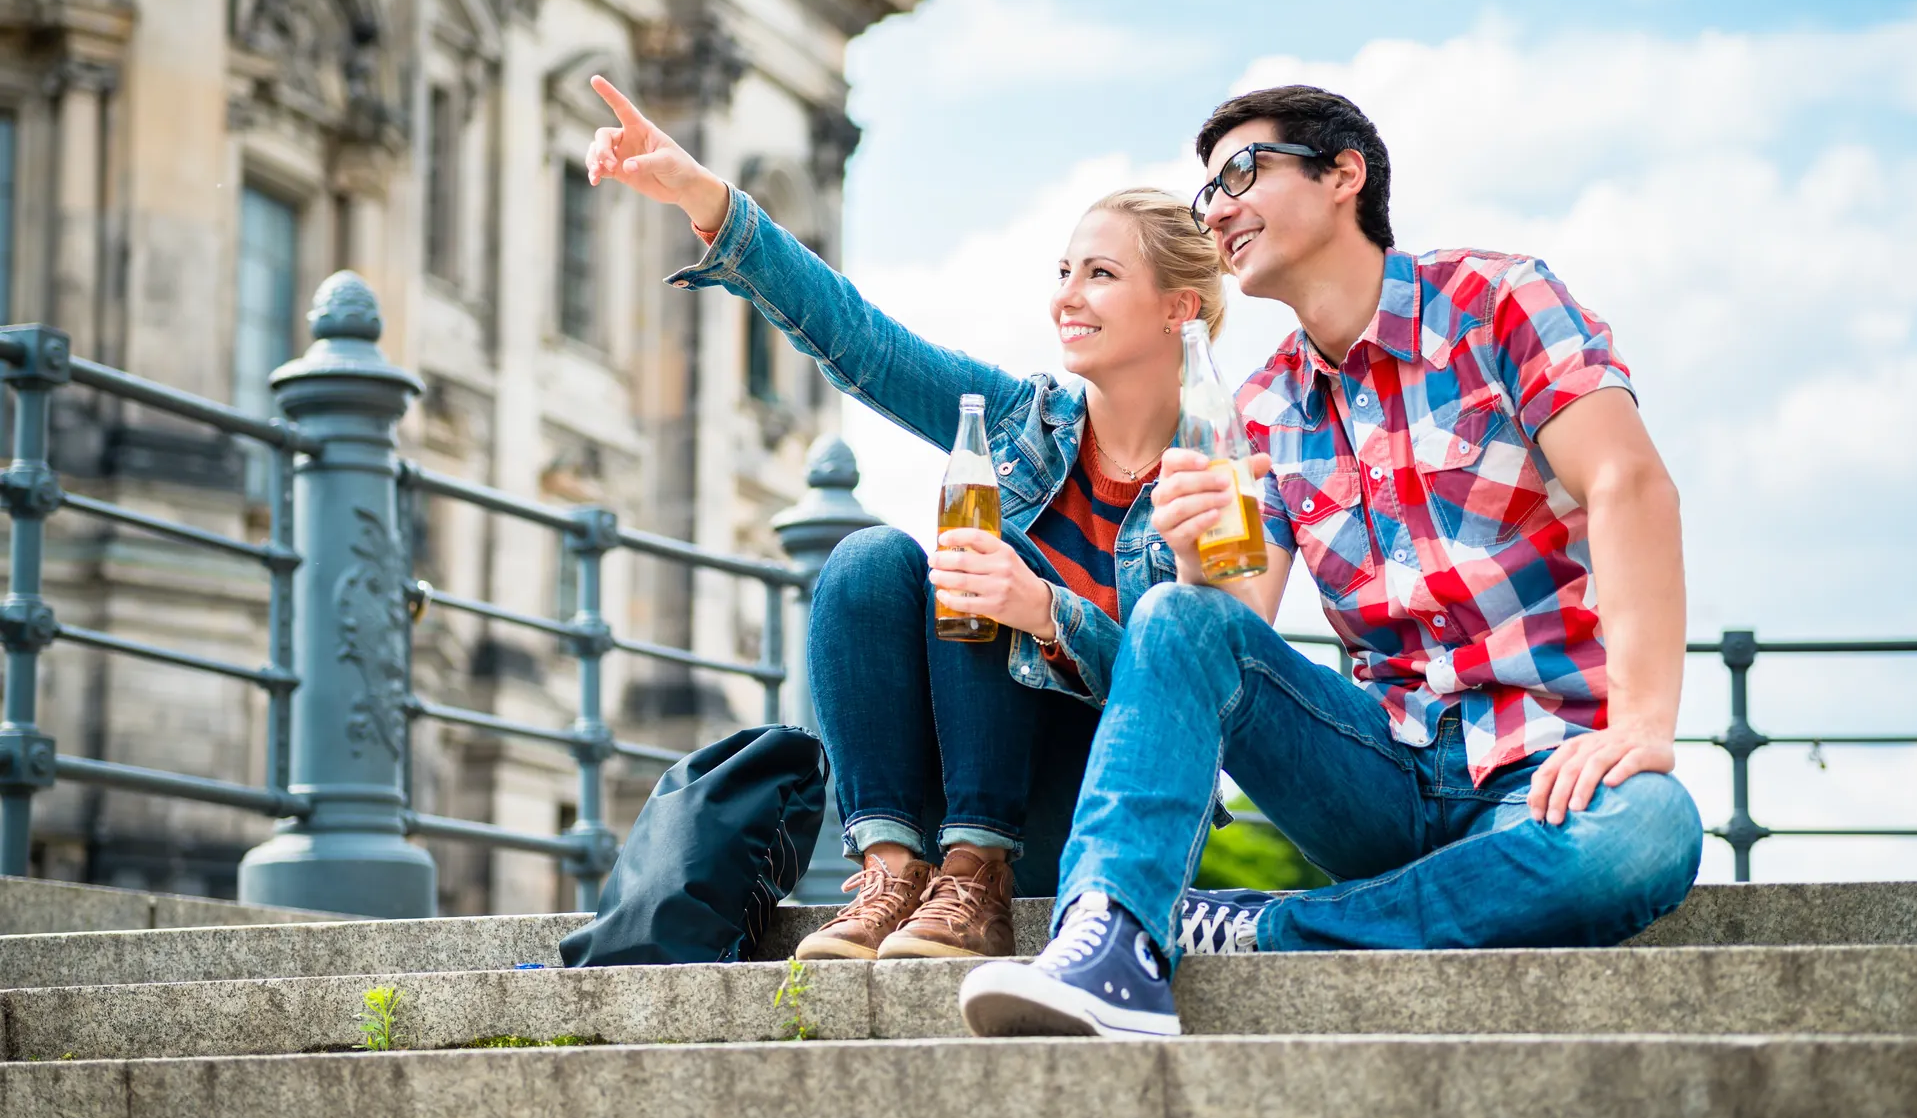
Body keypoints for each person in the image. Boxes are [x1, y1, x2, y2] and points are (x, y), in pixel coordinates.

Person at [960, 84, 1705, 1038]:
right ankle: (1109, 938)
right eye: (1207, 192)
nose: (1216, 210)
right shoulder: (1261, 405)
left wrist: (1639, 724)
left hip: (1543, 773)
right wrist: (1193, 560)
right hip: (1377, 774)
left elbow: (1629, 484)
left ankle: (1269, 929)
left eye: (1241, 173)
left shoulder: (1500, 302)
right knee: (1176, 615)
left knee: (1650, 827)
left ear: (1343, 173)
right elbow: (1233, 634)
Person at [582, 75, 1230, 961]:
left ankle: (980, 873)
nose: (1067, 297)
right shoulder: (1022, 421)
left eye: (1102, 275)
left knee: (990, 551)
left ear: (1179, 308)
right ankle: (892, 872)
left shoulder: (1215, 473)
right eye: (1064, 272)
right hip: (952, 792)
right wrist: (706, 199)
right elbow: (862, 341)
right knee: (869, 559)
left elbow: (1204, 703)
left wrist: (1050, 614)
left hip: (1097, 814)